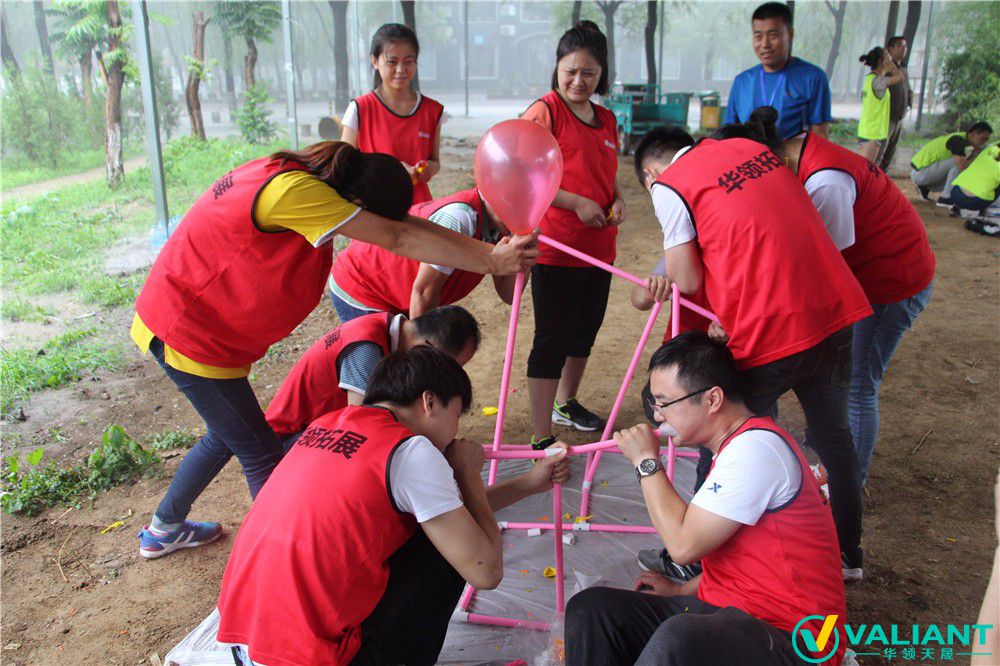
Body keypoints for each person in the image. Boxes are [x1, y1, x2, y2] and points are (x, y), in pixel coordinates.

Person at [132, 141, 538, 560]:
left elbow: (406, 227)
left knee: (227, 432)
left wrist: (493, 256)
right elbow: (399, 236)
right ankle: (281, 557)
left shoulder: (302, 181)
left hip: (203, 332)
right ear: (359, 205)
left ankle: (165, 526)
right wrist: (492, 261)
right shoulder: (295, 193)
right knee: (260, 454)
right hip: (187, 331)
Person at [216, 346, 571, 666]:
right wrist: (467, 473)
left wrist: (529, 484)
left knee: (437, 531)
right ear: (429, 402)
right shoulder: (411, 450)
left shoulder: (327, 425)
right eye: (456, 415)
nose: (456, 430)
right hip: (312, 657)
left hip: (247, 646)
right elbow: (485, 571)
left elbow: (444, 511)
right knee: (445, 553)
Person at [633, 126, 872, 580]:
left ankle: (695, 562)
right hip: (834, 310)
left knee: (721, 436)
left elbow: (686, 280)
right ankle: (847, 555)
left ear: (651, 175)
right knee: (834, 439)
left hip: (772, 329)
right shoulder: (748, 149)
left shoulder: (670, 184)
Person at [565, 332, 848, 666]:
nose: (658, 416)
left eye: (664, 404)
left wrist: (646, 462)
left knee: (679, 639)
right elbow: (737, 559)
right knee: (593, 609)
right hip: (730, 613)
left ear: (712, 399)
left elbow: (683, 546)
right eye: (655, 405)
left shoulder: (755, 450)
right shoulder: (736, 447)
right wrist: (680, 591)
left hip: (795, 639)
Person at [729, 106, 936, 486]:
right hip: (864, 276)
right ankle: (832, 465)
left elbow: (822, 268)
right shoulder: (798, 154)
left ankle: (847, 486)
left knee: (857, 384)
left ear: (767, 159)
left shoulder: (825, 181)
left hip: (891, 282)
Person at [522, 21, 626, 448]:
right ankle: (541, 434)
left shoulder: (607, 119)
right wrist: (576, 203)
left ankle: (566, 403)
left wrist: (617, 199)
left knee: (585, 331)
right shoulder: (544, 112)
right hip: (556, 248)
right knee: (552, 338)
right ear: (557, 68)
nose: (578, 81)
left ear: (602, 73)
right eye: (570, 71)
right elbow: (525, 173)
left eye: (589, 72)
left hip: (599, 249)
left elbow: (609, 173)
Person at [265, 305, 481, 449]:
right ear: (427, 347)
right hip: (290, 439)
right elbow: (361, 426)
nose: (446, 376)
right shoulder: (366, 347)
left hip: (321, 431)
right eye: (447, 366)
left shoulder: (387, 330)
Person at [329, 188, 517, 322]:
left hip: (401, 297)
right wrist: (425, 356)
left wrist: (521, 253)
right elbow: (424, 292)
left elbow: (509, 294)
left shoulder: (505, 227)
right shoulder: (461, 217)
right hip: (363, 286)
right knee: (386, 362)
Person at [340, 23, 442, 204]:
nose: (401, 70)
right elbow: (342, 165)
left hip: (418, 208)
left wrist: (428, 169)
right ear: (375, 61)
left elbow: (435, 161)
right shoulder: (360, 108)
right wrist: (390, 172)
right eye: (392, 62)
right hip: (374, 208)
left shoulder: (432, 110)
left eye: (408, 61)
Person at [723, 2, 832, 140]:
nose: (765, 44)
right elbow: (729, 135)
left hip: (791, 153)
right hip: (750, 154)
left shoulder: (812, 78)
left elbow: (820, 135)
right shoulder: (742, 82)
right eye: (758, 36)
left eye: (773, 35)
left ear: (790, 34)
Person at [910, 122, 993, 202]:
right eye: (983, 139)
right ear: (973, 134)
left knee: (962, 169)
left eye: (986, 140)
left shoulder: (965, 142)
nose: (984, 142)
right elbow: (961, 167)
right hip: (920, 173)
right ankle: (945, 198)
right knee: (958, 163)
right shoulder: (958, 140)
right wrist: (976, 155)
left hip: (925, 173)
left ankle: (925, 187)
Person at [857, 47, 905, 163]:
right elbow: (900, 77)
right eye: (888, 57)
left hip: (870, 131)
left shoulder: (871, 79)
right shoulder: (878, 81)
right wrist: (893, 67)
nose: (891, 59)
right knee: (866, 167)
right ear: (881, 61)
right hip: (872, 133)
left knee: (867, 167)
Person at [876, 36, 913, 172]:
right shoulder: (884, 70)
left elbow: (907, 87)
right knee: (880, 149)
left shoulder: (903, 68)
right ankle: (872, 177)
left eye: (905, 46)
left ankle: (882, 176)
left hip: (899, 117)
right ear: (890, 49)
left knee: (890, 151)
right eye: (900, 46)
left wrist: (909, 98)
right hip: (887, 118)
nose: (904, 49)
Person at [945, 142, 1000, 217]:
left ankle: (956, 208)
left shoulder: (990, 149)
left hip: (956, 194)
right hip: (975, 202)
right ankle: (985, 210)